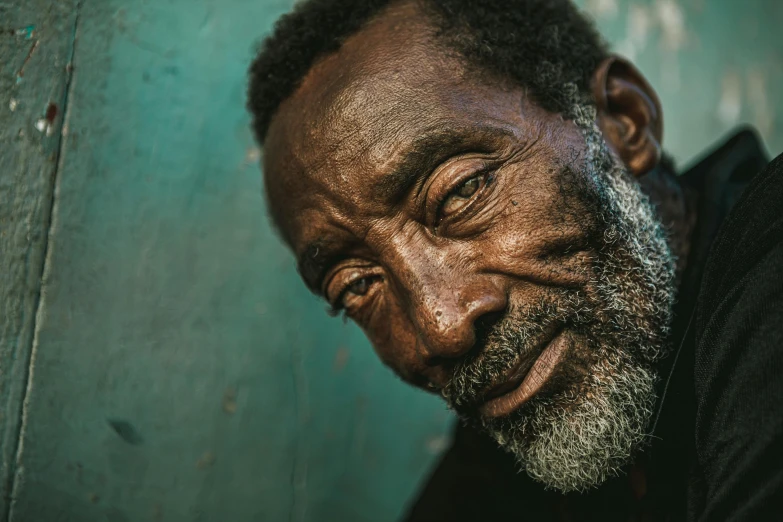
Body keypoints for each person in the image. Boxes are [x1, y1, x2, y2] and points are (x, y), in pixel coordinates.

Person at [246, 0, 783, 520]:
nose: (440, 328)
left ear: (622, 121)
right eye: (356, 284)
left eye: (461, 191)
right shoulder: (519, 416)